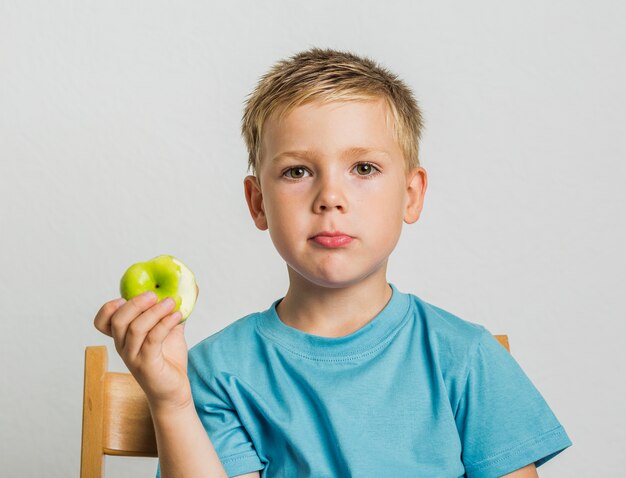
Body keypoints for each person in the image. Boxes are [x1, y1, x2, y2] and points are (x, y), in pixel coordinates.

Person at [94, 47, 572, 478]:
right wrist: (172, 403)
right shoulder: (216, 373)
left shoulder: (466, 358)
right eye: (297, 171)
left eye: (363, 168)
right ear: (258, 203)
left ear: (411, 194)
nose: (330, 198)